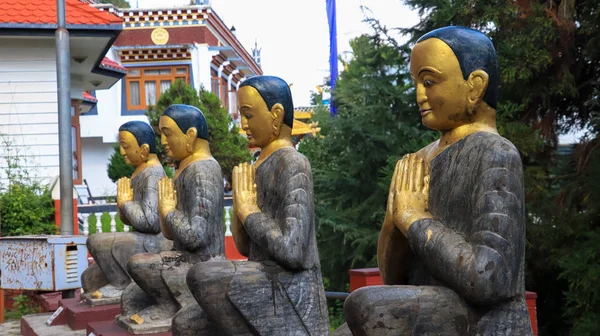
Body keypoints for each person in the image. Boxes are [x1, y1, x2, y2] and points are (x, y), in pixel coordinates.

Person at [339, 26, 533, 336]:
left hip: (481, 320)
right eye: (416, 82)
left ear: (475, 86)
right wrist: (395, 222)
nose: (419, 94)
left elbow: (488, 278)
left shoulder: (496, 152)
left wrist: (415, 220)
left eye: (429, 82)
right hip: (432, 311)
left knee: (368, 306)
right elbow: (394, 279)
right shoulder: (420, 160)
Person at [181, 76, 329, 335]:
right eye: (241, 115)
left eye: (248, 115)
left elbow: (292, 252)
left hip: (292, 289)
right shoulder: (258, 166)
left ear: (276, 114)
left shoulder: (294, 162)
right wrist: (241, 208)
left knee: (205, 276)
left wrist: (249, 210)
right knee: (186, 324)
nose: (243, 124)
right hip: (263, 277)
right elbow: (244, 247)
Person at [116, 105, 224, 333]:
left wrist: (167, 210)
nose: (163, 141)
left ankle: (169, 305)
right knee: (130, 298)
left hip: (203, 261)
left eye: (168, 133)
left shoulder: (203, 170)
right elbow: (168, 233)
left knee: (138, 265)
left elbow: (195, 237)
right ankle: (165, 303)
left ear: (191, 135)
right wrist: (166, 212)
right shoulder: (185, 168)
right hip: (181, 255)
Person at [81, 121, 171, 304]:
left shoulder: (153, 174)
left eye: (125, 147)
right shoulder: (140, 172)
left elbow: (151, 222)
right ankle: (117, 281)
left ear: (144, 149)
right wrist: (123, 206)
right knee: (88, 280)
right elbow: (132, 220)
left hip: (155, 242)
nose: (122, 152)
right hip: (141, 236)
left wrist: (126, 203)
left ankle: (121, 285)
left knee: (96, 241)